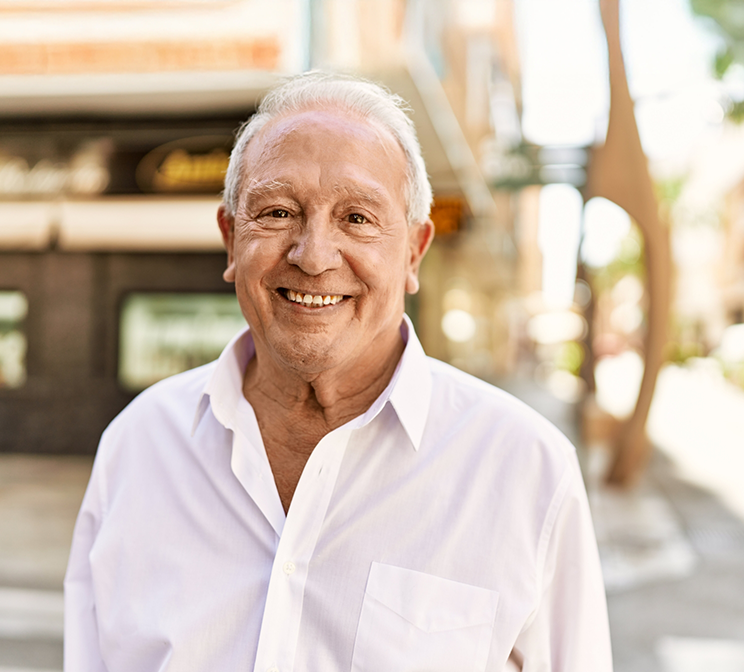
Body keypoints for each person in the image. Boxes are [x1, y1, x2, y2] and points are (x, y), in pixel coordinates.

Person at [63, 72, 611, 672]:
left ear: (413, 253)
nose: (314, 256)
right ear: (230, 240)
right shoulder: (138, 445)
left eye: (356, 218)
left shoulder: (525, 470)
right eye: (276, 212)